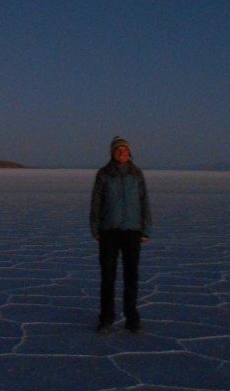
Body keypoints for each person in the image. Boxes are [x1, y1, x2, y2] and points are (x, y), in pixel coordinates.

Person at [89, 136, 152, 334]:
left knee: (131, 276)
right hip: (109, 231)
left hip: (133, 230)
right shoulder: (104, 174)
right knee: (108, 276)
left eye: (125, 150)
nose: (122, 153)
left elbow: (144, 202)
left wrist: (146, 228)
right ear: (112, 152)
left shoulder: (136, 174)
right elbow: (96, 202)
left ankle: (131, 319)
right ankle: (106, 319)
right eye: (118, 150)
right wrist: (95, 227)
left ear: (129, 152)